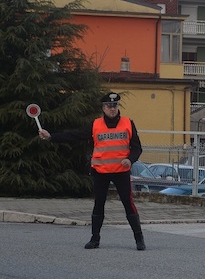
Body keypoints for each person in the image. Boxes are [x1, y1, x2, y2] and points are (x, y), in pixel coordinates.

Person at [38, 92, 146, 251]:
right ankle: (95, 239)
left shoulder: (128, 123)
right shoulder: (95, 124)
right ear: (103, 108)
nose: (112, 108)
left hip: (121, 171)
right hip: (100, 171)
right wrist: (51, 137)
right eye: (109, 106)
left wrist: (130, 159)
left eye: (115, 105)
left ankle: (139, 239)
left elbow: (137, 148)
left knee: (128, 204)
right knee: (99, 204)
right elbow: (74, 135)